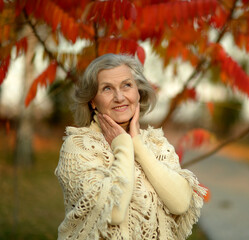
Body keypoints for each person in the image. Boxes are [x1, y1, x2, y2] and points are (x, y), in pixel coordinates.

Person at [55, 53, 206, 240]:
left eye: (127, 85)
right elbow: (114, 211)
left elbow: (181, 203)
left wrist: (138, 145)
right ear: (92, 101)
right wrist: (124, 145)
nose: (119, 97)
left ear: (138, 92)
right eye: (107, 89)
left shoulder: (156, 143)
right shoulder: (78, 147)